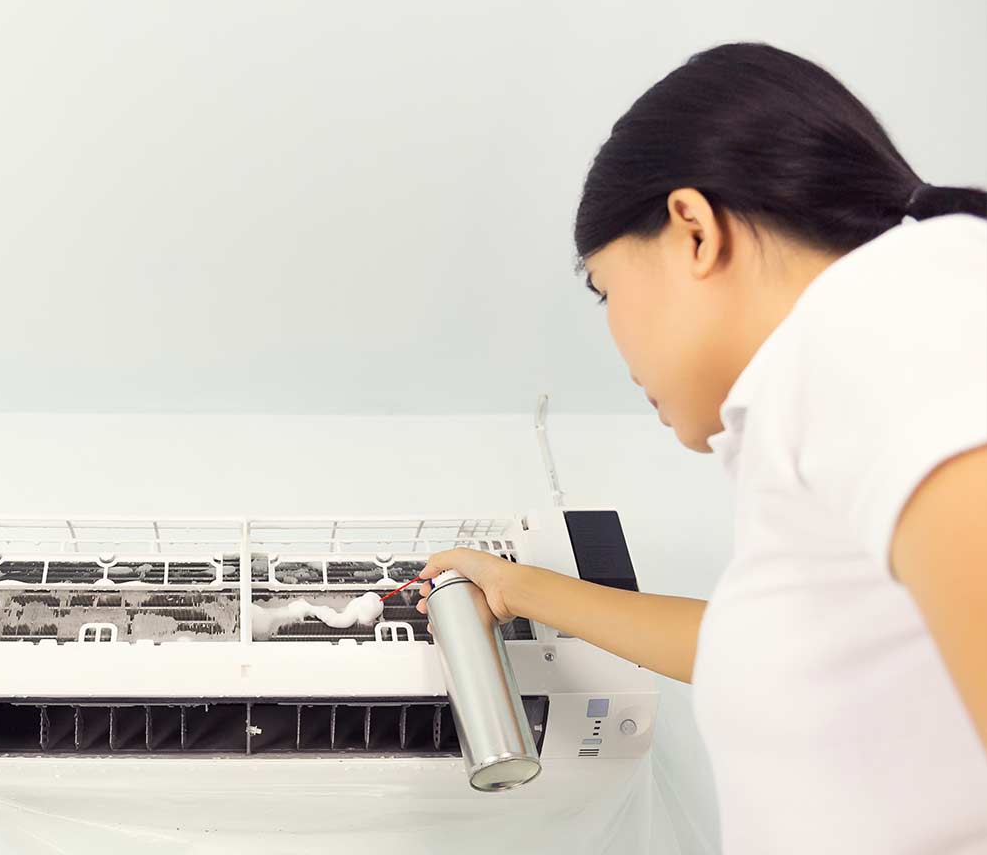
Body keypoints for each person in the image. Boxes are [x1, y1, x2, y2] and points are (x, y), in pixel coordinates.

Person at [416, 43, 987, 854]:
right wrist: (518, 587)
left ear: (692, 229)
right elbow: (753, 649)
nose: (615, 336)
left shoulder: (888, 315)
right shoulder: (844, 366)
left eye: (606, 291)